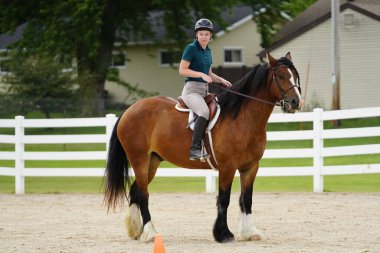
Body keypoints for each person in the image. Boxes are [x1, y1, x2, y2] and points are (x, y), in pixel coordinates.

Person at [179, 18, 232, 161]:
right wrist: (201, 75)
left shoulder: (208, 51)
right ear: (196, 35)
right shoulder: (191, 48)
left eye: (206, 34)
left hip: (204, 91)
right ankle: (195, 149)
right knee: (204, 112)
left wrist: (221, 80)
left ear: (210, 36)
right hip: (191, 91)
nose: (203, 37)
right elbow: (182, 70)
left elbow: (209, 74)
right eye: (201, 34)